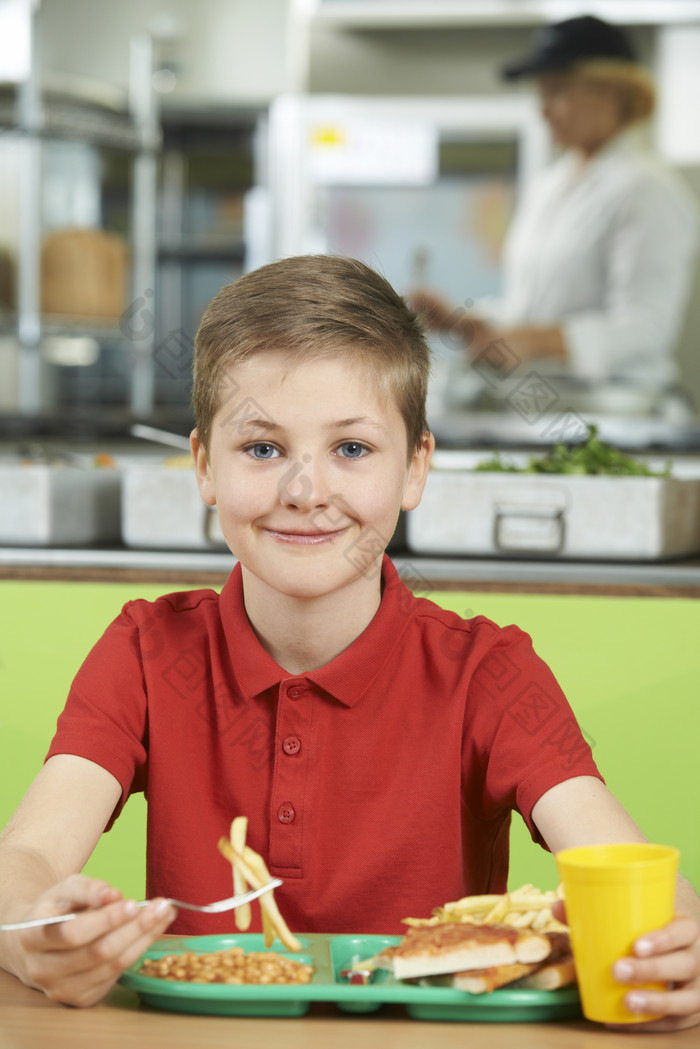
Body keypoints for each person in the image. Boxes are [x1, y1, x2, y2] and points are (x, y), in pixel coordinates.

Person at [0, 255, 698, 1027]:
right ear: (203, 465)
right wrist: (38, 927)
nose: (306, 492)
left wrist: (674, 944)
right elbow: (23, 859)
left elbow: (631, 876)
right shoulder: (145, 648)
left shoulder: (489, 673)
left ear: (415, 467)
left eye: (352, 449)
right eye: (262, 448)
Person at [411, 15, 700, 410]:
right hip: (540, 402)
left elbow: (645, 328)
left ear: (612, 93)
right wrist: (463, 322)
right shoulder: (551, 185)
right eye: (541, 93)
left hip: (619, 408)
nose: (544, 110)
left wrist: (536, 340)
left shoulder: (649, 190)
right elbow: (529, 308)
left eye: (558, 91)